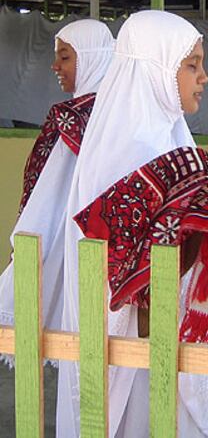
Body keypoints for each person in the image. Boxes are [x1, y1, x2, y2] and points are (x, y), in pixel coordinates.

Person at [56, 10, 208, 438]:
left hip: (168, 344)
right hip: (131, 345)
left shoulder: (172, 140)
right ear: (157, 68)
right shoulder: (126, 150)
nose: (203, 76)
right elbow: (119, 265)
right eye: (191, 65)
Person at [0, 19, 114, 353]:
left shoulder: (70, 117)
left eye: (65, 57)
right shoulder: (120, 115)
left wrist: (26, 235)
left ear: (92, 57)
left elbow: (47, 192)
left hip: (77, 243)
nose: (55, 66)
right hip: (110, 250)